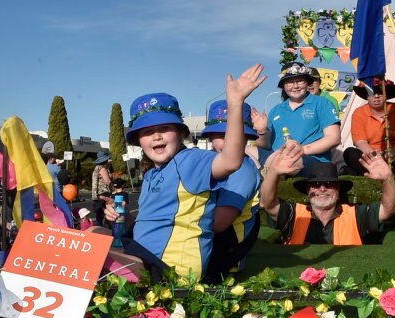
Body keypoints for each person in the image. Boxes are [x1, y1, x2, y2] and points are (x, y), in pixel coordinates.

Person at [116, 64, 266, 281]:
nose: (156, 136)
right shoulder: (151, 175)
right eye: (148, 132)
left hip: (171, 270)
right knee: (93, 237)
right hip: (145, 260)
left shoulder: (191, 161)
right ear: (138, 140)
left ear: (181, 134)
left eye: (165, 129)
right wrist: (125, 219)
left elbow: (232, 160)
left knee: (90, 252)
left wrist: (235, 103)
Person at [260, 142, 395, 245]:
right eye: (315, 184)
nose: (321, 189)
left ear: (338, 189)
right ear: (308, 190)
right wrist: (273, 173)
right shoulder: (294, 214)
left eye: (328, 184)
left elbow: (389, 209)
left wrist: (387, 179)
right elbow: (268, 203)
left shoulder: (356, 215)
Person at [200, 99, 262, 281]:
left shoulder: (242, 171)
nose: (228, 141)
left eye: (233, 134)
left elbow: (219, 224)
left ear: (246, 138)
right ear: (210, 137)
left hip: (223, 257)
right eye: (220, 135)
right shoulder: (210, 163)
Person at [252, 62, 340, 168]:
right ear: (283, 86)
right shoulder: (276, 110)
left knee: (288, 161)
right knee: (246, 151)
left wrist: (302, 150)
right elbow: (266, 145)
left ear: (307, 83)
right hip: (277, 156)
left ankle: (266, 174)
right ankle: (262, 175)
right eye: (289, 82)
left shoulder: (322, 103)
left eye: (300, 81)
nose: (295, 86)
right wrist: (261, 131)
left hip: (310, 158)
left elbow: (334, 138)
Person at [343, 76, 395, 175]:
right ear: (367, 97)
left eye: (380, 93)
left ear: (386, 95)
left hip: (393, 155)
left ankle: (376, 172)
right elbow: (360, 142)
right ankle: (387, 172)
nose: (376, 96)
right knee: (349, 153)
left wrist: (393, 152)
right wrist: (376, 156)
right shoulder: (359, 113)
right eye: (371, 93)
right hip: (371, 155)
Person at [91, 152, 113, 228]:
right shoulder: (102, 168)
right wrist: (113, 189)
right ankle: (107, 229)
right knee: (107, 212)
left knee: (99, 214)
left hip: (97, 193)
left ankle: (100, 229)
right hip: (103, 192)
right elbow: (107, 181)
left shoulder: (97, 168)